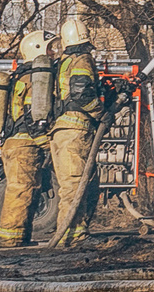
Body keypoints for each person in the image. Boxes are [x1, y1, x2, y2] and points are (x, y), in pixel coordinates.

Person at [46, 22, 110, 249]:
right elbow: (81, 92)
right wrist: (101, 112)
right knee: (74, 185)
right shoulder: (82, 59)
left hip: (61, 130)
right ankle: (71, 237)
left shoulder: (61, 63)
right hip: (76, 129)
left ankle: (76, 233)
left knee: (78, 184)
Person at [0, 26, 58, 246]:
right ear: (38, 50)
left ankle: (20, 238)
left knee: (27, 189)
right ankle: (11, 241)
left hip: (16, 142)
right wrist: (44, 142)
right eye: (50, 49)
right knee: (20, 189)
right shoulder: (34, 78)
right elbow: (32, 114)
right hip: (24, 142)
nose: (53, 53)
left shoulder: (21, 75)